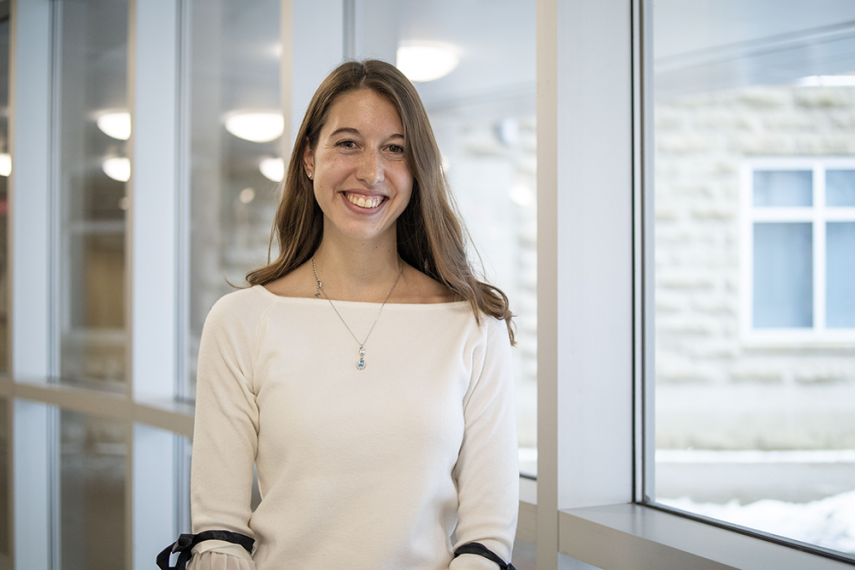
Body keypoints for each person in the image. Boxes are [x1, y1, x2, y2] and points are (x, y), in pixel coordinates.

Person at [188, 59, 518, 570]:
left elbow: (487, 536)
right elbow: (220, 532)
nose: (372, 171)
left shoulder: (473, 326)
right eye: (347, 143)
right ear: (308, 159)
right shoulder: (240, 322)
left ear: (418, 169)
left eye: (395, 148)